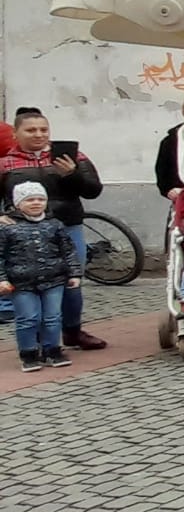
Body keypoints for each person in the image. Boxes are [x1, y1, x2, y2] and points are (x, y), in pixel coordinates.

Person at [0, 110, 106, 351]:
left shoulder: (73, 156)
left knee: (72, 279)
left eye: (43, 130)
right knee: (29, 282)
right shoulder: (6, 163)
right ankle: (36, 337)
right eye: (31, 130)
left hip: (67, 226)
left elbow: (93, 190)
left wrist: (72, 175)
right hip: (22, 233)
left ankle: (73, 331)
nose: (38, 135)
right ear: (16, 134)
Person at [0, 182, 78, 370]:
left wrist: (74, 273)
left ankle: (52, 350)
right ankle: (28, 353)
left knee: (53, 317)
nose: (36, 203)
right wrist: (2, 278)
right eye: (29, 200)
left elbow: (68, 251)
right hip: (21, 281)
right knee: (27, 318)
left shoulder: (54, 225)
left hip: (54, 279)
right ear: (18, 203)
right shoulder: (7, 227)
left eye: (40, 199)